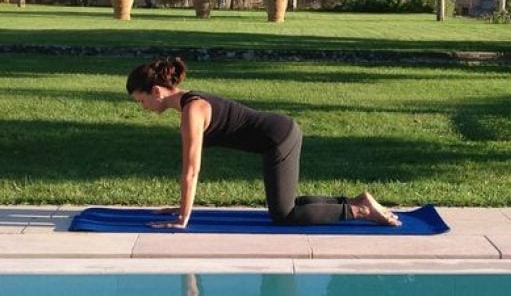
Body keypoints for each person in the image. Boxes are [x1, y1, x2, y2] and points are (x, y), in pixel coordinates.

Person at [126, 57, 402, 229]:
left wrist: (183, 216)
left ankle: (360, 211)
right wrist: (183, 205)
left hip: (278, 138)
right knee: (286, 205)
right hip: (280, 133)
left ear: (156, 91)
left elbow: (191, 170)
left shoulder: (192, 112)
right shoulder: (190, 104)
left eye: (141, 100)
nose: (143, 107)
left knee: (284, 215)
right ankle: (356, 200)